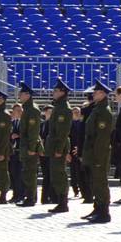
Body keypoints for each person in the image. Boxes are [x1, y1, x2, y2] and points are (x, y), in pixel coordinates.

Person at [82, 79, 114, 224]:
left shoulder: (104, 112)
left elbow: (102, 137)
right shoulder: (97, 108)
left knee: (100, 182)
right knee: (95, 181)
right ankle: (98, 207)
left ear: (102, 94)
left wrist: (97, 156)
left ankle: (104, 212)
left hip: (99, 153)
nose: (93, 94)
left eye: (96, 92)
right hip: (93, 151)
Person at [45, 79, 72, 214]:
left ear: (62, 92)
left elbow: (62, 132)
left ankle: (63, 202)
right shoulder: (58, 107)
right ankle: (60, 201)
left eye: (56, 91)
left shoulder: (64, 109)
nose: (53, 93)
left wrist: (59, 150)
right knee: (55, 174)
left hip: (58, 147)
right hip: (55, 146)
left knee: (59, 174)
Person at [16, 82, 43, 208]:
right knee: (27, 172)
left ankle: (30, 198)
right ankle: (30, 196)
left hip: (30, 147)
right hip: (26, 145)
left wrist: (32, 148)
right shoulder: (27, 108)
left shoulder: (32, 109)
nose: (19, 95)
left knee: (30, 173)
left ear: (27, 95)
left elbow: (33, 131)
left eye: (21, 93)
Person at [8, 103, 24, 204]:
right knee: (13, 174)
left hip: (21, 150)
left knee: (19, 175)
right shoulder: (14, 122)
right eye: (15, 110)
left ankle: (21, 195)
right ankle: (15, 194)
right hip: (13, 151)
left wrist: (18, 135)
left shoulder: (24, 122)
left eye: (19, 110)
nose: (17, 112)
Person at [39, 105, 53, 204]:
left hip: (49, 152)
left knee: (50, 175)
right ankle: (44, 197)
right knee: (46, 175)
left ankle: (49, 196)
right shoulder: (42, 124)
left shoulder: (52, 124)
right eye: (47, 112)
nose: (48, 113)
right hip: (43, 153)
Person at [69, 107, 84, 198]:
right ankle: (75, 189)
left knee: (81, 171)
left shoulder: (82, 123)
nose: (76, 113)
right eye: (74, 112)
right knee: (73, 172)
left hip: (80, 149)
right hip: (72, 150)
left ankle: (83, 189)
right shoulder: (70, 124)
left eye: (78, 112)